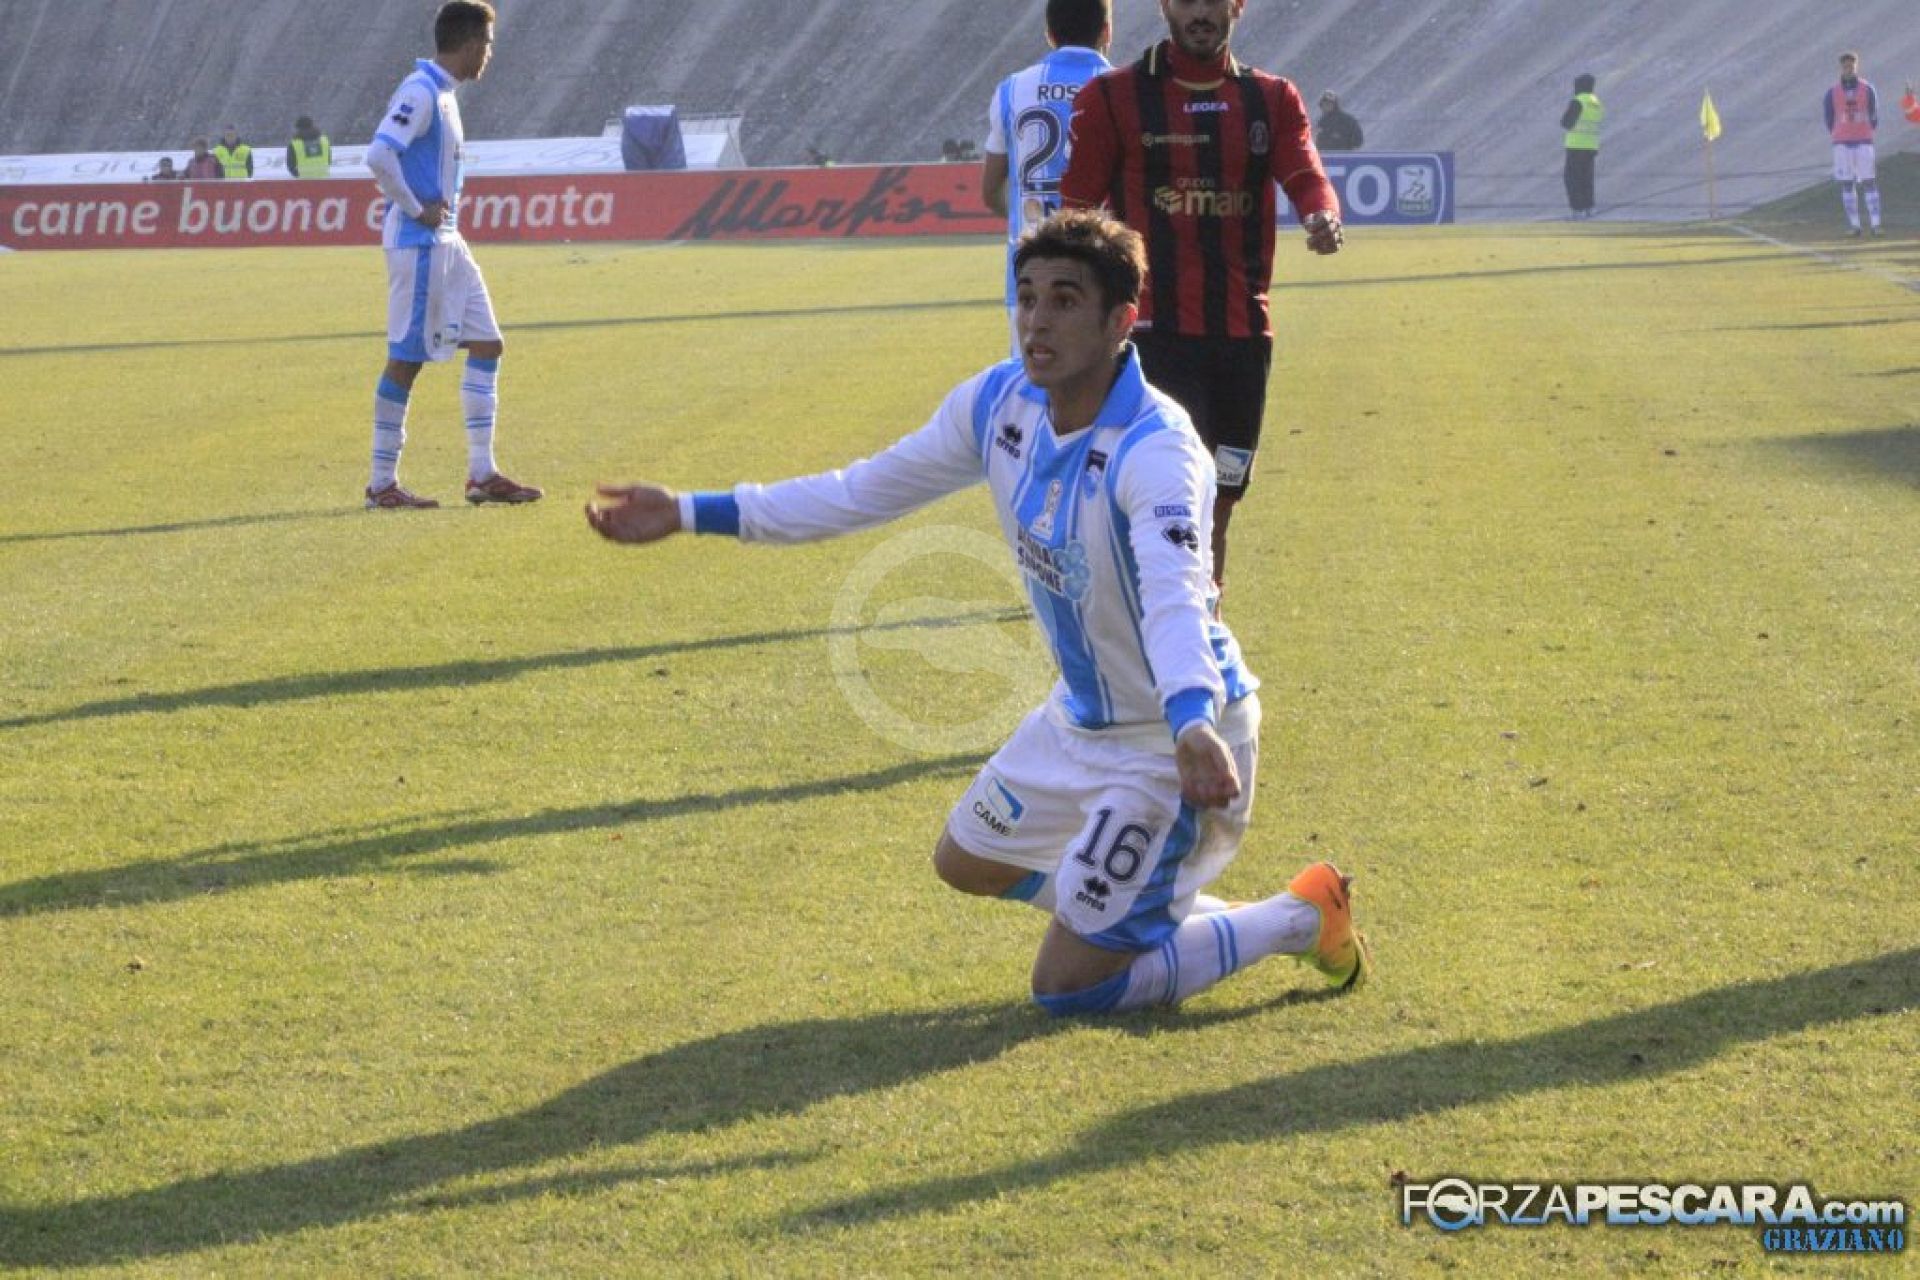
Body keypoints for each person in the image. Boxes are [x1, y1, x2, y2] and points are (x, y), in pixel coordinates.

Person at [586, 209, 1371, 1016]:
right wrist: (690, 511)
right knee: (967, 860)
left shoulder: (1158, 450)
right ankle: (1140, 909)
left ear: (1120, 321)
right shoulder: (1001, 404)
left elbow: (1176, 596)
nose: (1037, 320)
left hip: (1169, 744)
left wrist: (1191, 721)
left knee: (1071, 990)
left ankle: (1298, 918)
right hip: (1079, 720)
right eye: (1026, 296)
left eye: (1065, 300)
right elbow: (857, 492)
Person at [1060, 0, 1343, 592]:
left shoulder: (1271, 98)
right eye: (1187, 0)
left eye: (1213, 0)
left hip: (1242, 338)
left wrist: (1321, 214)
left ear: (1237, 6)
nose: (1200, 13)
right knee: (1163, 494)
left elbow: (1305, 174)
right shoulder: (1113, 96)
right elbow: (1076, 210)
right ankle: (1145, 621)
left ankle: (1203, 622)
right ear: (1166, 5)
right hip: (1152, 336)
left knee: (1222, 497)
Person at [361, 0, 540, 509]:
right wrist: (416, 208)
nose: (489, 54)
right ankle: (381, 484)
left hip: (447, 242)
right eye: (488, 44)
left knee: (488, 343)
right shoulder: (419, 92)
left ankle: (483, 474)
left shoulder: (442, 93)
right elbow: (379, 155)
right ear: (470, 43)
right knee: (406, 359)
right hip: (419, 245)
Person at [982, 0, 1113, 354]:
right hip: (1106, 277)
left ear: (1050, 35)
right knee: (1104, 383)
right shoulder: (1124, 90)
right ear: (1106, 32)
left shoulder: (1012, 90)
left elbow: (991, 190)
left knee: (1033, 382)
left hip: (1030, 281)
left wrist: (1028, 218)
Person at [1826, 53, 1882, 237]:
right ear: (1841, 68)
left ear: (1856, 67)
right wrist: (1839, 133)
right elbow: (1829, 117)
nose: (1848, 69)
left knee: (1869, 181)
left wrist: (1866, 131)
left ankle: (1875, 224)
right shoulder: (1832, 92)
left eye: (1851, 66)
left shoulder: (1867, 89)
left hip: (1863, 140)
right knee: (1847, 183)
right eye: (1846, 66)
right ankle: (1855, 225)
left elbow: (1874, 114)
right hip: (1842, 142)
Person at [1561, 73, 1602, 219]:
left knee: (1572, 178)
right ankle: (1589, 207)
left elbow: (1566, 122)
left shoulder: (1578, 101)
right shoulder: (1596, 102)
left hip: (1576, 145)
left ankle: (1577, 209)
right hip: (1591, 145)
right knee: (1587, 178)